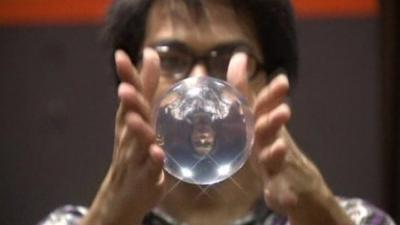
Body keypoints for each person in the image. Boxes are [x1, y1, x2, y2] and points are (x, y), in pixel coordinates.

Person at [38, 0, 396, 225]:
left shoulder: (353, 219)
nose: (200, 82)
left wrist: (318, 213)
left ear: (271, 81)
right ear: (131, 77)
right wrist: (111, 217)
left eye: (227, 58)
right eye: (171, 59)